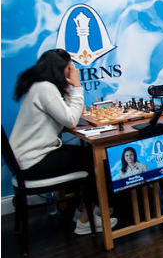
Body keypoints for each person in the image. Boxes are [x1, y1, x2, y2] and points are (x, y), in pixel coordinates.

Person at [9, 48, 118, 235]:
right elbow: (71, 120)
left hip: (27, 159)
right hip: (34, 161)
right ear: (61, 69)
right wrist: (77, 86)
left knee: (89, 156)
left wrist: (67, 86)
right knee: (97, 160)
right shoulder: (44, 88)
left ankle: (84, 210)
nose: (73, 71)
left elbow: (67, 112)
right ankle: (86, 221)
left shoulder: (41, 86)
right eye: (70, 68)